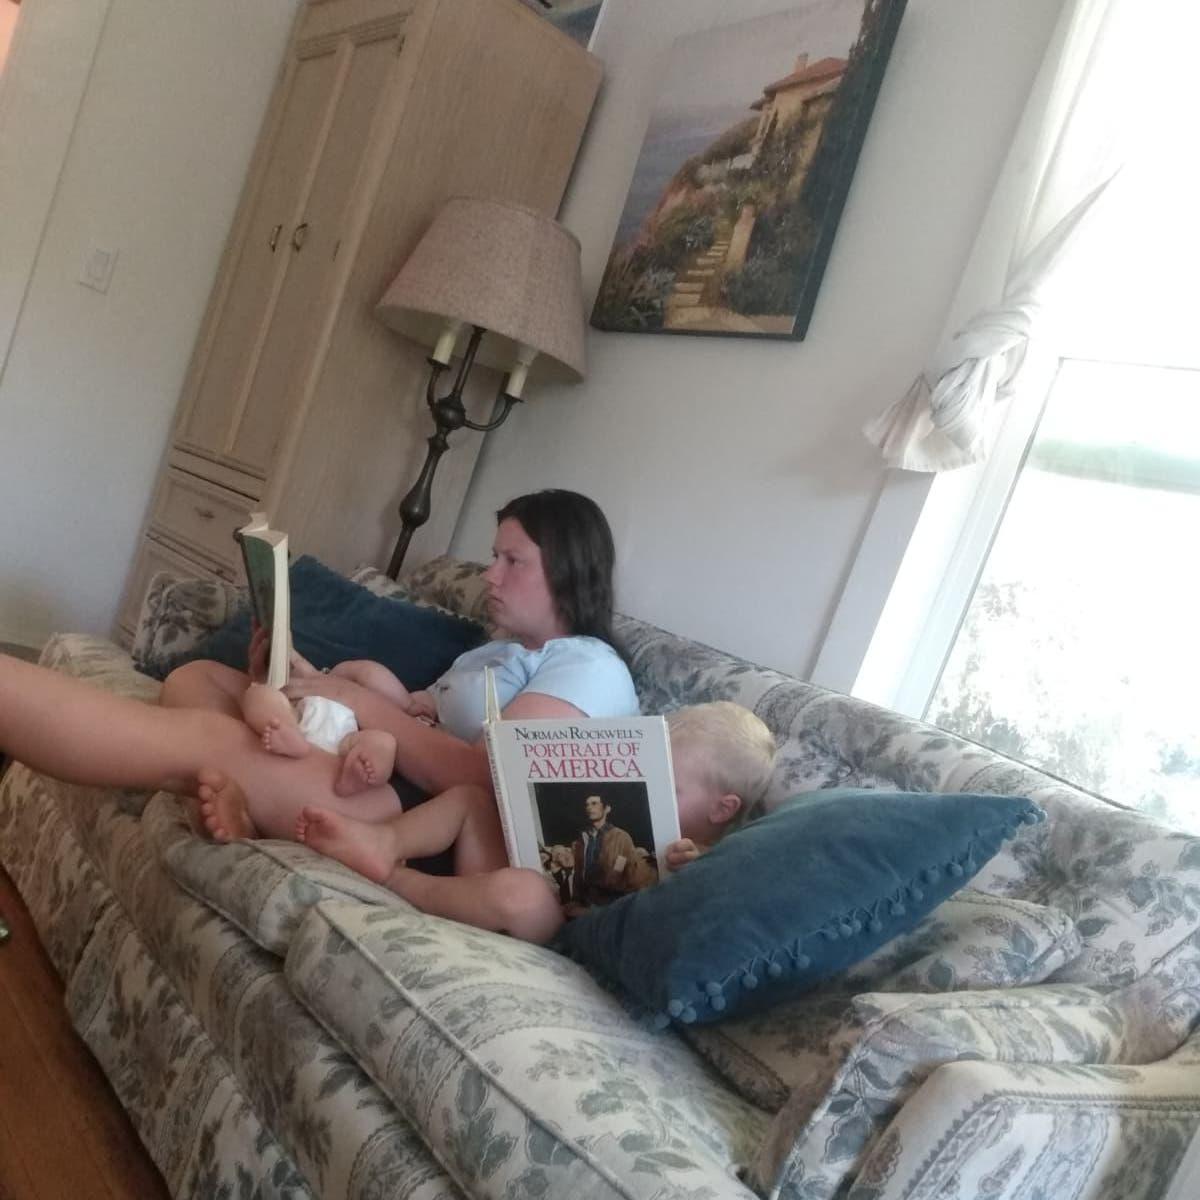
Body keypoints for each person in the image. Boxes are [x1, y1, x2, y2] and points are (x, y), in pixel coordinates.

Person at [0, 490, 637, 861]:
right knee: (199, 678)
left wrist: (349, 695)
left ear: (568, 570)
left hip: (414, 810)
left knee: (198, 739)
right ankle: (249, 803)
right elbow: (409, 711)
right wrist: (298, 681)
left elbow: (486, 777)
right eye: (492, 556)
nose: (490, 576)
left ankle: (244, 783)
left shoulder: (588, 665)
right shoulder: (491, 653)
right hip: (369, 748)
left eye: (512, 561)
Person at [293, 701, 778, 943]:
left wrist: (698, 867)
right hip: (530, 883)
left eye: (669, 785)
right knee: (471, 800)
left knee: (520, 893)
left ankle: (393, 878)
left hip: (553, 936)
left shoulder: (711, 863)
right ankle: (384, 841)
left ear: (722, 809)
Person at [569, 792, 656, 909]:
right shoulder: (583, 839)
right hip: (587, 903)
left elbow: (619, 871)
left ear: (607, 809)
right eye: (587, 805)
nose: (589, 808)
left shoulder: (620, 837)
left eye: (594, 803)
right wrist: (576, 900)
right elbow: (579, 872)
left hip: (612, 903)